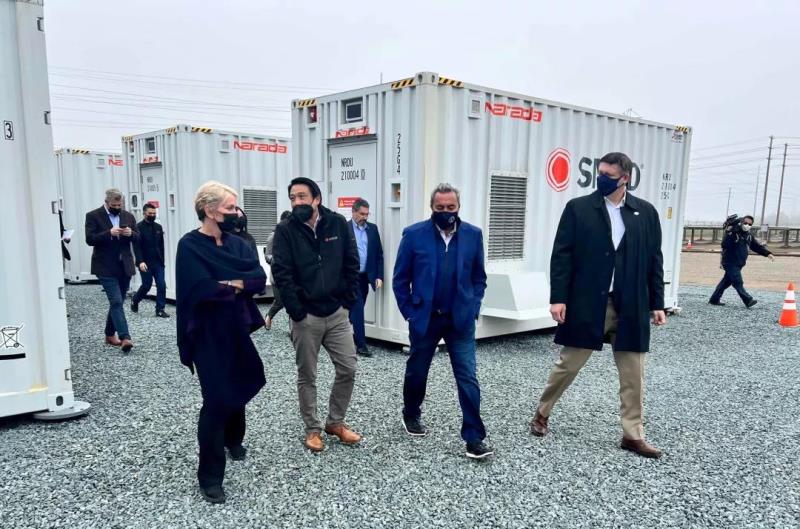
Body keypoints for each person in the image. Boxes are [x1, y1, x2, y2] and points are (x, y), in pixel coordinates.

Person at [529, 152, 666, 459]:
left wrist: (657, 302)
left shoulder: (645, 213)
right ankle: (542, 412)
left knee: (634, 374)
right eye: (600, 173)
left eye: (608, 175)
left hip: (631, 304)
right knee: (569, 364)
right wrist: (558, 297)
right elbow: (562, 255)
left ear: (625, 178)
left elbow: (654, 259)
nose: (601, 179)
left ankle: (633, 434)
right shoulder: (579, 208)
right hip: (589, 302)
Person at [175, 181, 267, 504]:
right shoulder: (189, 246)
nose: (236, 213)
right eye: (229, 207)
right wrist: (236, 285)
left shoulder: (238, 244)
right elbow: (200, 289)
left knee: (242, 381)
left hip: (236, 327)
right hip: (206, 333)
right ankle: (210, 477)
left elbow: (259, 278)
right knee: (215, 400)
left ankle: (234, 438)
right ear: (210, 210)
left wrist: (230, 283)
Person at [392, 183, 493, 460]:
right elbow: (400, 280)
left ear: (458, 207)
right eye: (440, 207)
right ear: (432, 207)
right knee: (417, 371)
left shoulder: (473, 235)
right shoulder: (414, 235)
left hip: (460, 321)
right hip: (425, 319)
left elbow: (479, 278)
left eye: (451, 207)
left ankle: (474, 437)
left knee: (467, 377)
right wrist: (410, 313)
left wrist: (473, 307)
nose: (446, 212)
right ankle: (411, 412)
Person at [271, 177, 361, 452]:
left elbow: (351, 262)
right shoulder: (285, 230)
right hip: (305, 317)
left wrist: (347, 302)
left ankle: (336, 422)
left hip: (337, 314)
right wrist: (296, 310)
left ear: (317, 198)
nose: (297, 202)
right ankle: (312, 429)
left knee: (348, 368)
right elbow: (282, 272)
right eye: (293, 198)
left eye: (302, 196)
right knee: (307, 375)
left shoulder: (337, 224)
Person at [85, 188, 138, 353]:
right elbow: (90, 239)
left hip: (125, 266)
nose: (117, 207)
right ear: (106, 202)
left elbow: (139, 237)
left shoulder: (128, 216)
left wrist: (130, 233)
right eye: (114, 205)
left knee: (118, 301)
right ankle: (125, 337)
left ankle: (109, 334)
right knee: (116, 301)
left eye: (119, 205)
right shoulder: (93, 216)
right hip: (105, 266)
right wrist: (108, 233)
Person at [709, 215, 774, 307]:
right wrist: (729, 232)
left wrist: (767, 254)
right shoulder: (733, 233)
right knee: (738, 282)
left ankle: (714, 300)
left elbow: (756, 247)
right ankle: (748, 300)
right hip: (730, 262)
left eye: (750, 224)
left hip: (739, 263)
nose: (747, 225)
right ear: (741, 222)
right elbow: (724, 245)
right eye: (745, 223)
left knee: (725, 282)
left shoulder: (748, 236)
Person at [348, 198, 384, 357]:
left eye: (367, 214)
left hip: (365, 277)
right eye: (362, 214)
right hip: (350, 276)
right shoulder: (345, 228)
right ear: (353, 212)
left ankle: (338, 334)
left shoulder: (373, 229)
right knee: (357, 309)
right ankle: (361, 345)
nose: (365, 217)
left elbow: (379, 255)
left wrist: (379, 275)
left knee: (355, 310)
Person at [131, 203, 169, 318]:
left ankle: (160, 309)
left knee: (161, 285)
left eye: (154, 213)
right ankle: (135, 300)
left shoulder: (158, 227)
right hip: (145, 263)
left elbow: (161, 245)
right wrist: (140, 261)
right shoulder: (138, 228)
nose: (152, 215)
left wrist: (162, 261)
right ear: (144, 213)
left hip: (158, 262)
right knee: (146, 285)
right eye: (150, 213)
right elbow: (136, 247)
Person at [264, 210, 292, 330]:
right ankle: (269, 316)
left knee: (292, 301)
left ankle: (293, 328)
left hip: (291, 276)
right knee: (280, 301)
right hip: (277, 276)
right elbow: (267, 255)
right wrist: (278, 260)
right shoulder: (273, 236)